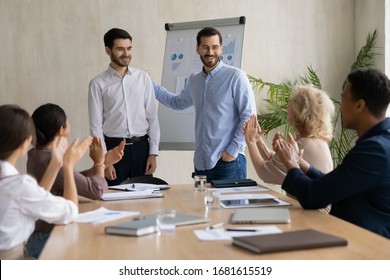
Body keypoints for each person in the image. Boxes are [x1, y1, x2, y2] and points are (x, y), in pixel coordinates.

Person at [274, 69, 390, 238]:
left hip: (366, 248)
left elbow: (313, 196)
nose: (340, 108)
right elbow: (335, 184)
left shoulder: (375, 151)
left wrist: (290, 164)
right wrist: (301, 163)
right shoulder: (379, 143)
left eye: (343, 100)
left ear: (359, 105)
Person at [153, 27, 256, 181]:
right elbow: (177, 102)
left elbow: (249, 117)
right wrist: (150, 85)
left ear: (221, 49)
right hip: (201, 164)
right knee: (202, 205)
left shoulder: (236, 77)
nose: (210, 52)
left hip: (228, 164)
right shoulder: (195, 80)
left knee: (230, 206)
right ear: (198, 49)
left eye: (215, 47)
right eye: (205, 47)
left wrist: (231, 153)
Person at [25, 103, 124, 258]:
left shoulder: (37, 154)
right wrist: (99, 163)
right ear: (61, 130)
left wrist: (103, 163)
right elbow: (96, 191)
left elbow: (68, 179)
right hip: (48, 240)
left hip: (41, 236)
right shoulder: (49, 159)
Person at [0, 104, 91, 259]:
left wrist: (55, 165)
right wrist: (68, 165)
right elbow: (71, 212)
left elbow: (35, 199)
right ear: (24, 142)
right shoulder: (19, 185)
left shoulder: (15, 184)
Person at [88, 28, 160, 186]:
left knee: (145, 202)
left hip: (142, 148)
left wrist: (153, 153)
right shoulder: (97, 84)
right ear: (108, 50)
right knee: (114, 202)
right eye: (120, 49)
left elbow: (152, 117)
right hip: (113, 149)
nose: (126, 54)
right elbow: (96, 127)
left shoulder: (143, 78)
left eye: (129, 48)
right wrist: (105, 161)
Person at [244, 85, 335, 185]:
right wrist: (257, 140)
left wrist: (251, 141)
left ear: (299, 111)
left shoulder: (305, 145)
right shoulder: (314, 141)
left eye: (292, 101)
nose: (288, 105)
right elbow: (278, 162)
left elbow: (264, 172)